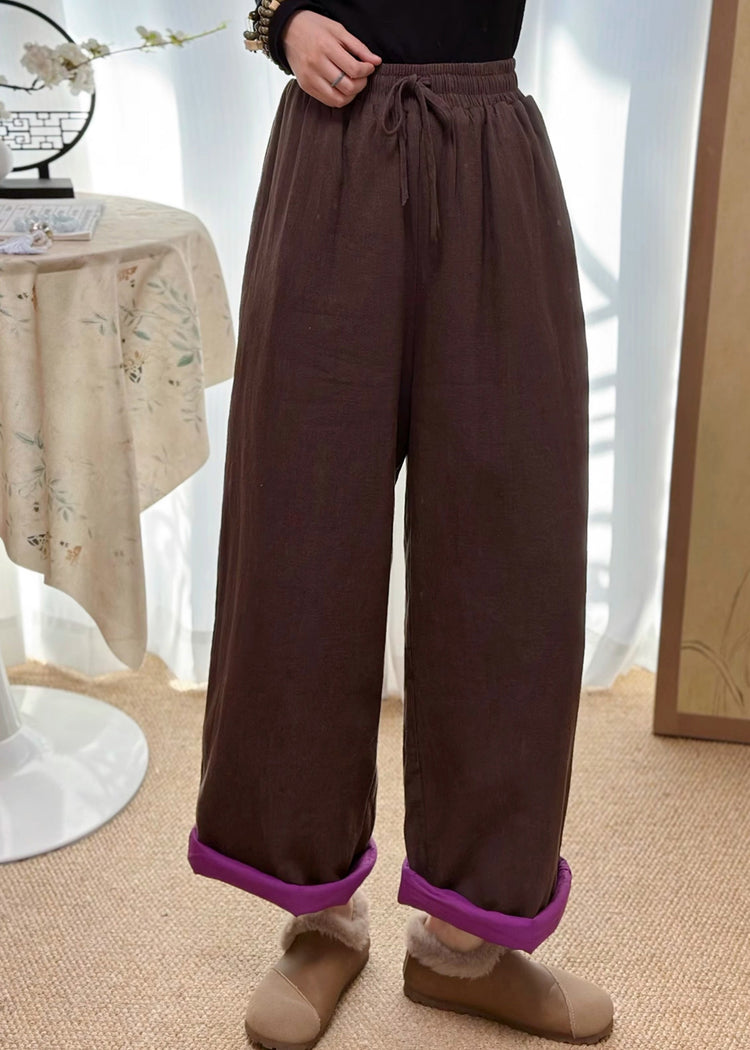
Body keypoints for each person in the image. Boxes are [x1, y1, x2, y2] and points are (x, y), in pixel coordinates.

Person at [188, 2, 615, 1047]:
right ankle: (321, 919)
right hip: (333, 148)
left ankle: (465, 946)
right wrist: (284, 20)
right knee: (303, 535)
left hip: (491, 149)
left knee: (510, 547)